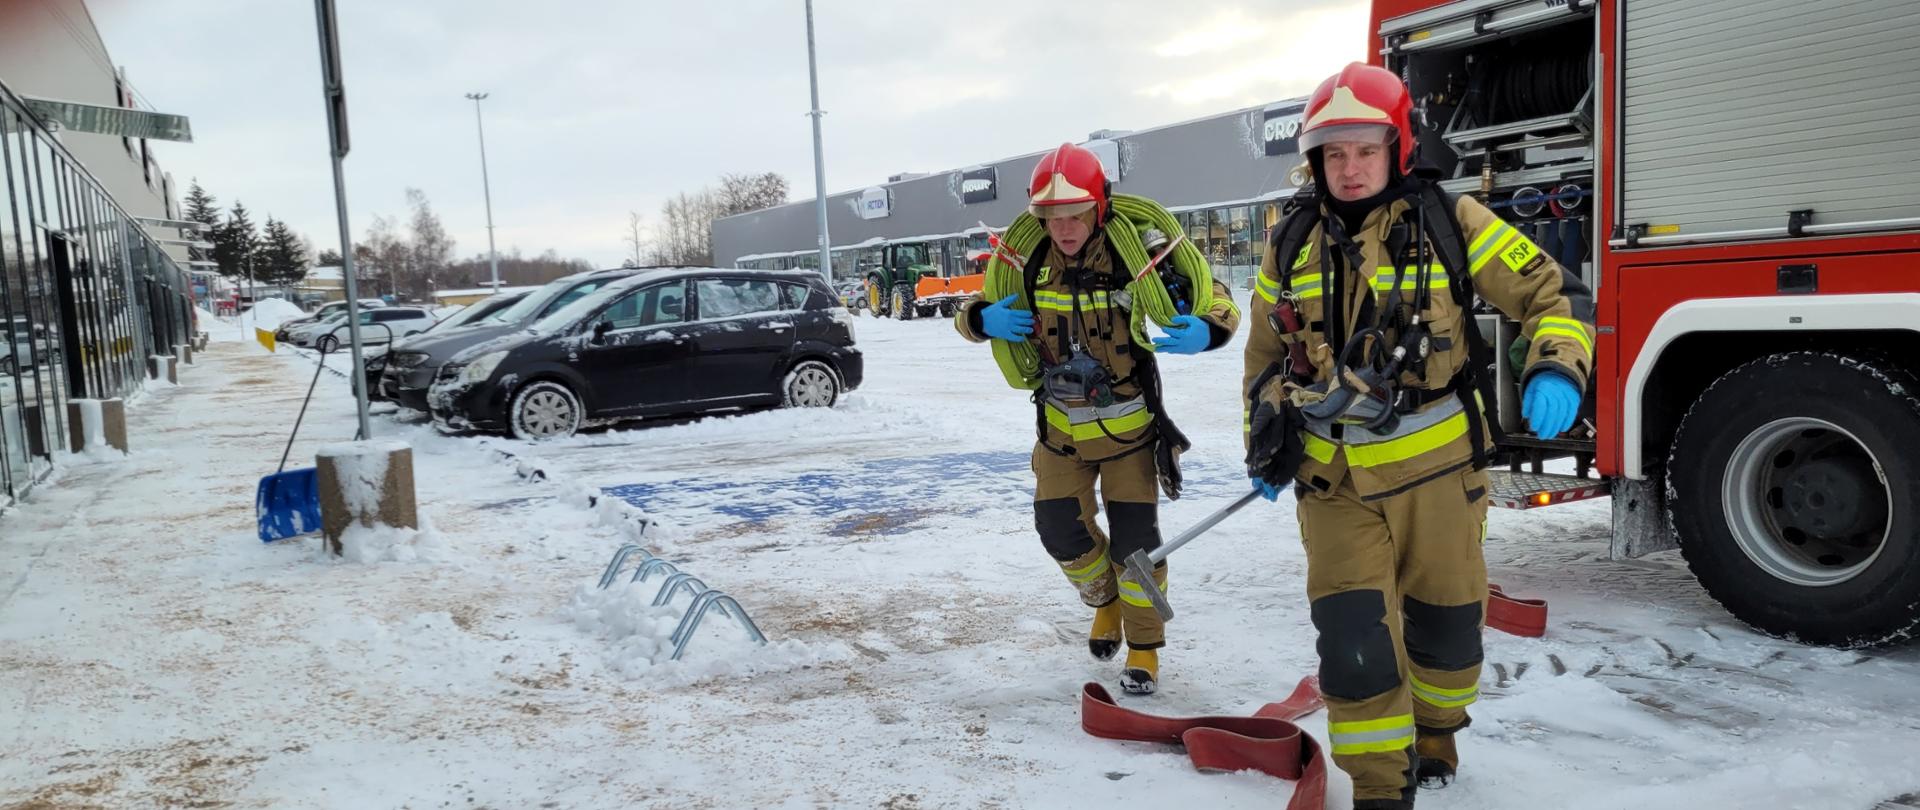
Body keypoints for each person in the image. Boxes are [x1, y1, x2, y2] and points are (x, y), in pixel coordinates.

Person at [1242, 64, 1594, 809]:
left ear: (1397, 148)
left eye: (1366, 150)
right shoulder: (1290, 242)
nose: (1350, 168)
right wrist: (1264, 435)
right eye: (1334, 153)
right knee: (1353, 641)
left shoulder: (1452, 221)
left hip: (1439, 477)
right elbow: (1265, 356)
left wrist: (1556, 365)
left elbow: (1552, 293)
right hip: (1333, 483)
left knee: (1447, 638)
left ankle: (1436, 731)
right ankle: (1379, 786)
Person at [955, 143, 1241, 695]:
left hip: (1128, 434)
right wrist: (981, 320)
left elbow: (1216, 295)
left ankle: (1145, 648)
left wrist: (1210, 329)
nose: (1064, 229)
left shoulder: (1138, 254)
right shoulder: (1027, 261)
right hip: (1060, 432)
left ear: (1099, 207)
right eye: (1052, 217)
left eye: (1075, 215)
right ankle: (1104, 601)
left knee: (1137, 547)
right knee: (1058, 530)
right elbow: (968, 314)